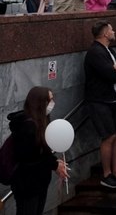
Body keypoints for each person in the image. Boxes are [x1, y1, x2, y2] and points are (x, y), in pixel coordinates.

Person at [7, 87, 69, 215]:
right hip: (27, 185)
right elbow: (30, 157)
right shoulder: (27, 127)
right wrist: (54, 165)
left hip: (39, 182)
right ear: (40, 102)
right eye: (50, 100)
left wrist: (54, 162)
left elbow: (42, 152)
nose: (53, 103)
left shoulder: (41, 123)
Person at [84, 20, 116, 189]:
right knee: (108, 136)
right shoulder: (95, 52)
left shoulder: (108, 50)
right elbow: (110, 74)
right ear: (105, 33)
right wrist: (115, 70)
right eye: (111, 29)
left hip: (111, 98)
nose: (114, 31)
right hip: (98, 101)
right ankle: (107, 174)